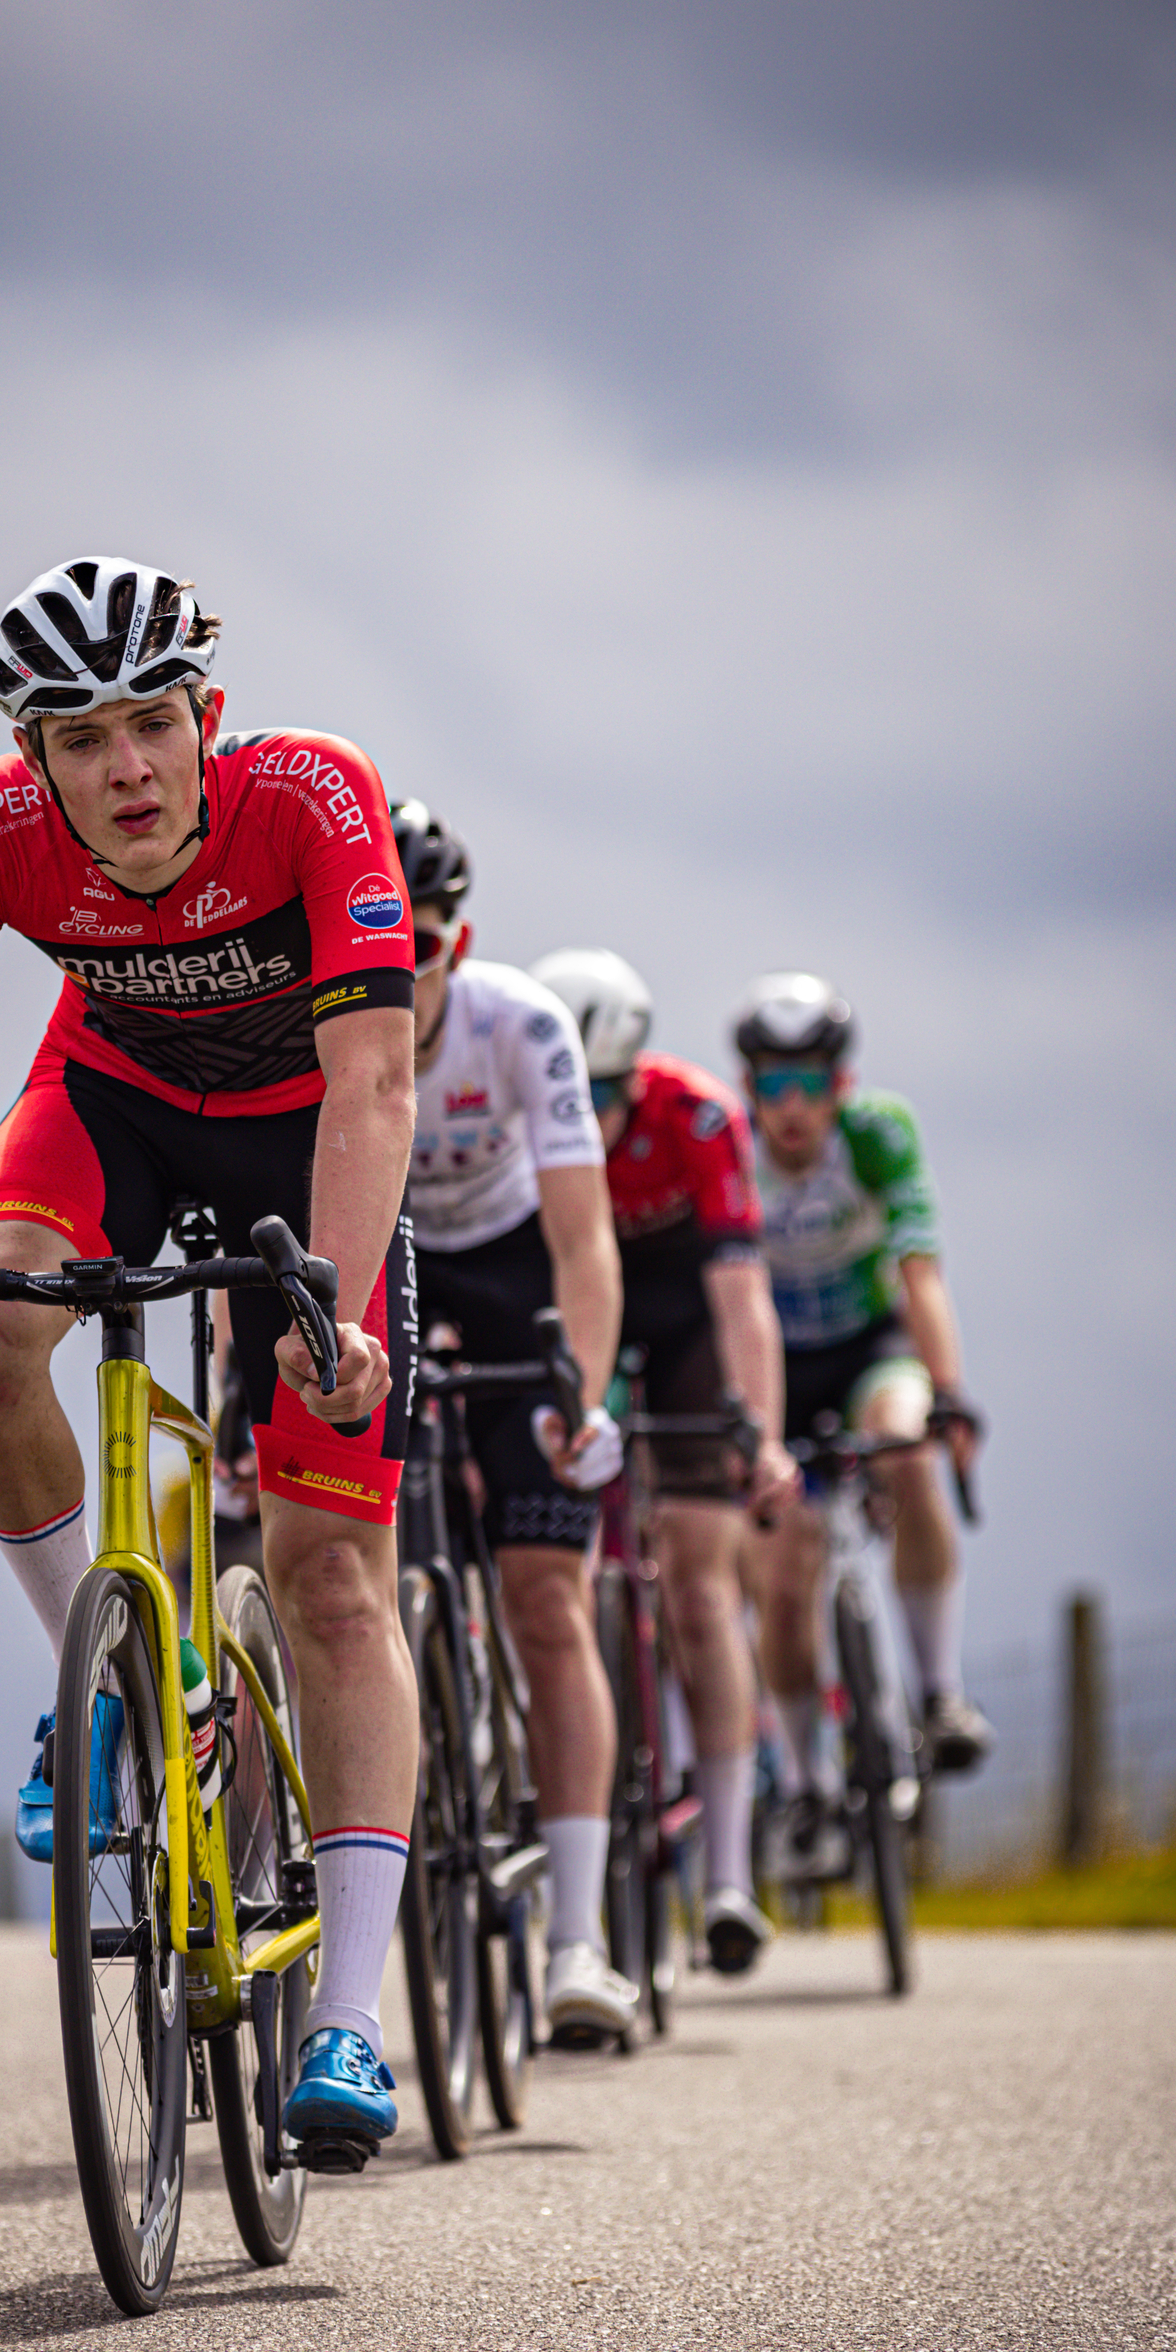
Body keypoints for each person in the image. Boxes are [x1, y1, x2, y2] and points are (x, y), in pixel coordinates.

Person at [0, 558, 419, 2159]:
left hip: (307, 1151)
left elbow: (372, 1085)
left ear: (207, 717)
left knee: (335, 1574)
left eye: (153, 723)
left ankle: (348, 2021)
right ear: (33, 762)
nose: (127, 768)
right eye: (81, 739)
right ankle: (114, 1676)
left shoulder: (314, 795)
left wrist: (335, 1312)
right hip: (114, 1106)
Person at [393, 804, 634, 2040]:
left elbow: (583, 1237)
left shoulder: (518, 1023)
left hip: (506, 1273)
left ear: (459, 939)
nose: (393, 960)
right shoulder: (305, 1015)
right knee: (330, 1568)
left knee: (547, 1595)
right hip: (378, 1262)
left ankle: (579, 1942)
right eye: (368, 932)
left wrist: (580, 1397)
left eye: (417, 940)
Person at [530, 949, 800, 1976]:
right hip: (579, 1311)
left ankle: (728, 1870)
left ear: (636, 1076)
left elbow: (741, 1301)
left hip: (686, 1324)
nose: (589, 1114)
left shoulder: (697, 1118)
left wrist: (761, 1437)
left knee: (696, 1585)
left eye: (607, 1093)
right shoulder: (525, 1108)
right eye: (576, 1092)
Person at [733, 974, 990, 1798]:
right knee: (781, 1575)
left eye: (810, 1082)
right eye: (774, 1083)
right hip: (774, 1361)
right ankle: (807, 1778)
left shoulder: (879, 1136)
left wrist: (946, 1391)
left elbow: (921, 1273)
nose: (792, 1105)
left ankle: (939, 1691)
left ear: (841, 1084)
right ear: (750, 1089)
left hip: (867, 1347)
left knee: (908, 1450)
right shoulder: (729, 1150)